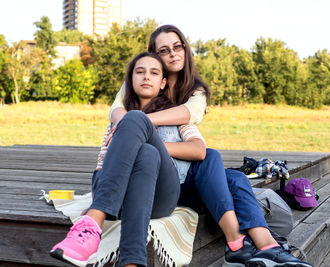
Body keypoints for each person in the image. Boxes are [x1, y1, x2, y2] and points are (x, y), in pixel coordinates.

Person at [108, 25, 312, 267]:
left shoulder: (194, 91)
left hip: (184, 174)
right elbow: (116, 109)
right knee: (213, 159)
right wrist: (130, 127)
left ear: (184, 48)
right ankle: (237, 242)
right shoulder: (141, 82)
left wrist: (140, 122)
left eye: (177, 46)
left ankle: (267, 245)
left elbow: (188, 116)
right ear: (154, 55)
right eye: (164, 50)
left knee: (234, 177)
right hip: (160, 182)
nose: (173, 53)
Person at [50, 52, 206, 267]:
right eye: (139, 72)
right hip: (117, 198)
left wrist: (154, 140)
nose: (146, 77)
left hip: (161, 195)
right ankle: (132, 262)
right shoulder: (118, 118)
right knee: (147, 154)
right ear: (130, 81)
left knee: (144, 137)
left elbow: (199, 150)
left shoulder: (176, 115)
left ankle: (93, 222)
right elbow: (103, 165)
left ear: (163, 83)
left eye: (153, 73)